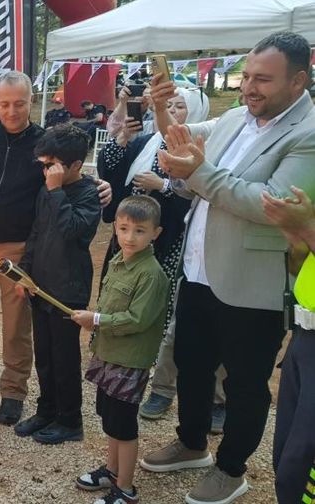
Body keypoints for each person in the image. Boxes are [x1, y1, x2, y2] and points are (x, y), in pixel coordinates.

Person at [139, 31, 315, 504]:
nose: (249, 88)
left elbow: (272, 203)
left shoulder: (310, 133)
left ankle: (231, 468)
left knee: (244, 383)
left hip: (254, 284)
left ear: (299, 80)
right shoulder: (238, 116)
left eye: (263, 79)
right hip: (200, 269)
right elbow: (181, 142)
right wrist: (161, 109)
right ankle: (192, 442)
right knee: (193, 364)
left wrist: (194, 172)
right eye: (247, 77)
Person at [0, 70, 112, 425]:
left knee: (16, 324)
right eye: (3, 104)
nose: (11, 111)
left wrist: (97, 184)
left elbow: (70, 173)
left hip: (20, 247)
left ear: (31, 100)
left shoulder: (44, 141)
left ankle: (13, 391)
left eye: (19, 103)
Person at [98, 87, 227, 428]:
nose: (170, 112)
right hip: (127, 236)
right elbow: (111, 170)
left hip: (168, 242)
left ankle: (156, 379)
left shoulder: (201, 148)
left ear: (197, 112)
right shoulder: (147, 142)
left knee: (160, 313)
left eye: (179, 106)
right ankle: (114, 358)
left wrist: (163, 186)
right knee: (117, 293)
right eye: (166, 105)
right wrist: (123, 138)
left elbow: (202, 196)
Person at [72, 195, 170, 504]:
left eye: (140, 230)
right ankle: (112, 471)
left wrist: (96, 320)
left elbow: (137, 320)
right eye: (124, 228)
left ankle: (125, 489)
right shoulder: (118, 261)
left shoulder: (151, 274)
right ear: (115, 227)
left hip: (129, 361)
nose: (130, 237)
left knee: (124, 425)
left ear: (156, 233)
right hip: (108, 353)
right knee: (109, 417)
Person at [13, 124, 101, 445]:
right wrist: (24, 271)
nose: (46, 171)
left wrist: (55, 191)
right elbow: (37, 232)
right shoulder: (46, 188)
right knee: (45, 355)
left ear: (75, 165)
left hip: (68, 290)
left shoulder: (88, 194)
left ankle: (70, 419)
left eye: (53, 165)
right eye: (44, 164)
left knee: (64, 358)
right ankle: (46, 409)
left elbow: (71, 229)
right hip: (41, 286)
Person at [262, 185, 315, 504]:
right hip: (305, 334)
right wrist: (295, 238)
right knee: (287, 450)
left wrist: (306, 228)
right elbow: (301, 267)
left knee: (303, 453)